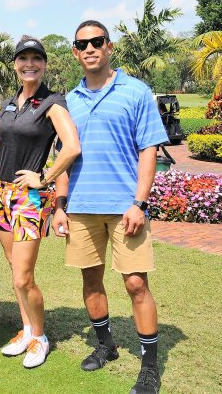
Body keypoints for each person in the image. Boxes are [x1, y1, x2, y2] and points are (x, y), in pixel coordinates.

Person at [52, 20, 168, 394]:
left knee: (135, 283)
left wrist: (139, 203)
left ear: (109, 46)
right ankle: (106, 346)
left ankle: (149, 367)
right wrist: (59, 206)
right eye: (82, 43)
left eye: (97, 41)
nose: (90, 48)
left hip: (125, 208)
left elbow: (148, 150)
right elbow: (63, 158)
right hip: (81, 207)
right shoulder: (68, 101)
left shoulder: (136, 92)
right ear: (75, 52)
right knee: (90, 279)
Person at [0, 35, 81, 369]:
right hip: (1, 195)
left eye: (36, 59)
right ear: (15, 64)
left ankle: (41, 337)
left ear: (44, 65)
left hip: (29, 199)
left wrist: (45, 178)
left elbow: (72, 147)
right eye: (23, 59)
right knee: (13, 267)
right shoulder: (10, 102)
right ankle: (27, 329)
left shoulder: (53, 102)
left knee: (23, 277)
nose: (29, 64)